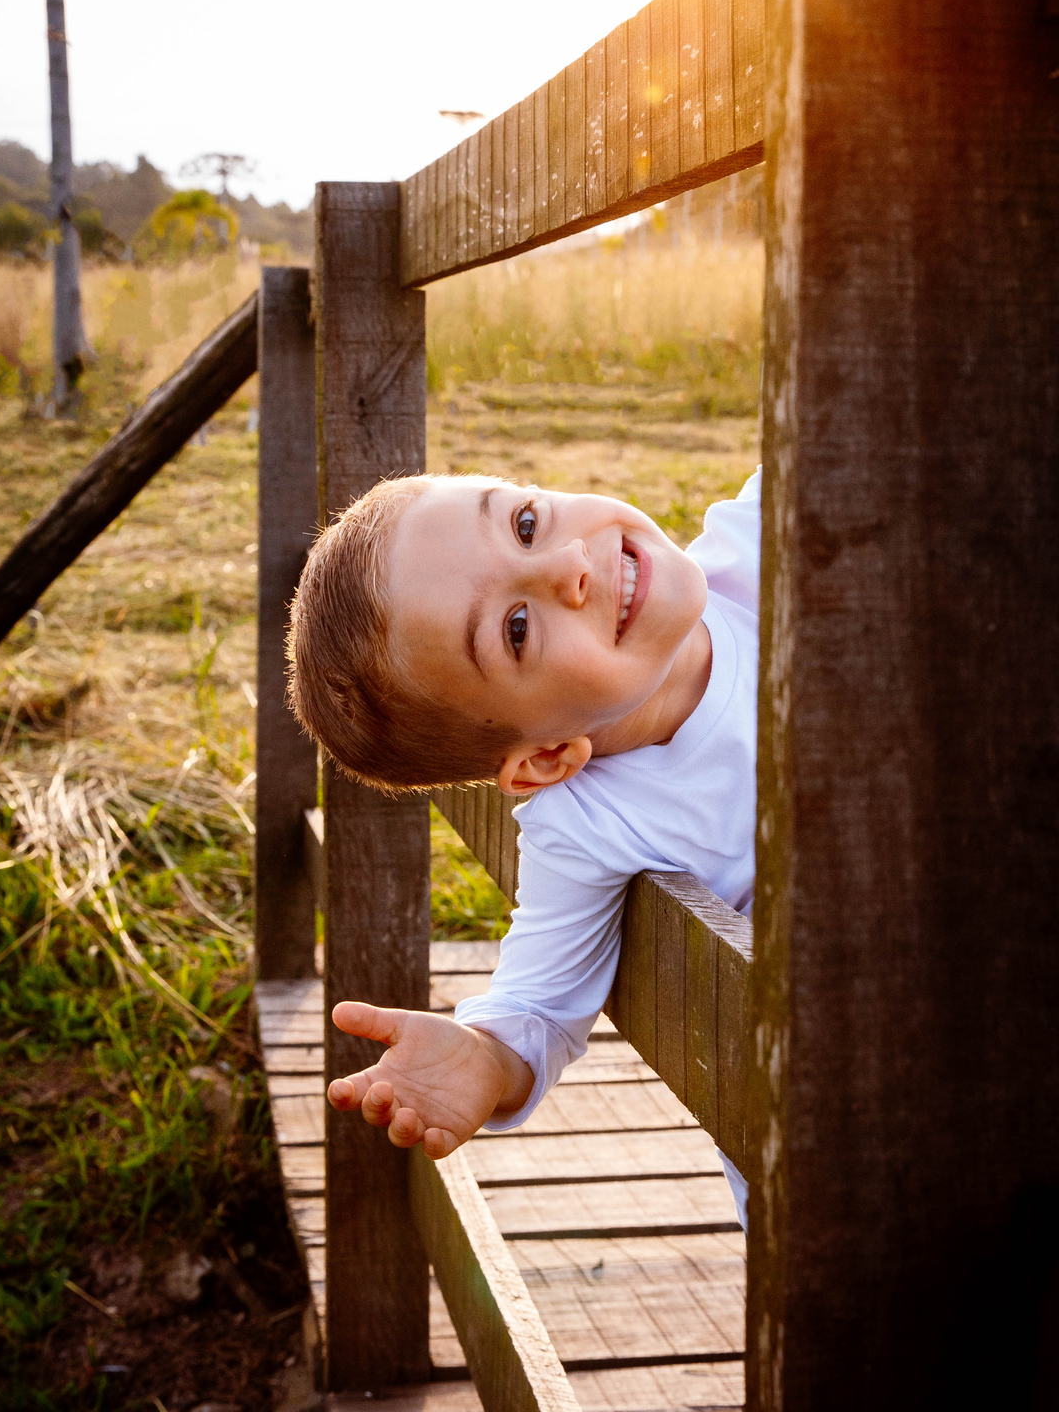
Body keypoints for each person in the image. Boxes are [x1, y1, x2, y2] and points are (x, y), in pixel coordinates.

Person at [286, 468, 759, 1228]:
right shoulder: (589, 822)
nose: (565, 568)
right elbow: (538, 1002)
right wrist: (483, 1057)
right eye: (516, 628)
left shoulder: (776, 529)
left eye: (527, 524)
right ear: (543, 760)